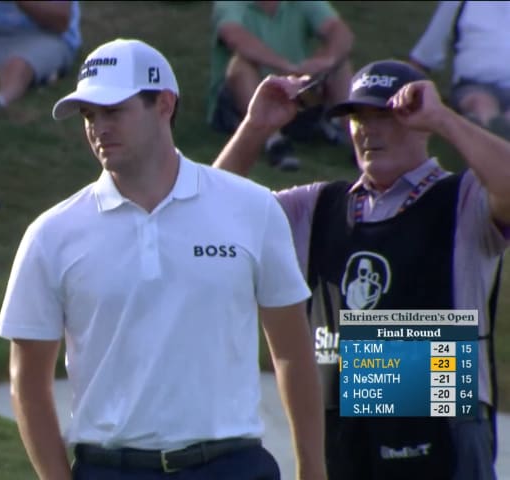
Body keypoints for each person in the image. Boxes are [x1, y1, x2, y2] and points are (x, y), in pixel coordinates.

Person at [0, 38, 327, 480]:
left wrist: (312, 469)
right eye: (89, 115)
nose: (98, 128)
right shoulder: (50, 235)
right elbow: (28, 380)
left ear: (164, 104)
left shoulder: (253, 208)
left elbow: (290, 351)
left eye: (114, 111)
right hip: (110, 469)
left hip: (233, 466)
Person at [212, 59, 510, 479]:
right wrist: (256, 126)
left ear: (420, 123)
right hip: (343, 434)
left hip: (441, 435)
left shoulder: (463, 199)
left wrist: (444, 118)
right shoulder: (316, 206)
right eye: (356, 117)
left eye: (383, 115)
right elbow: (205, 218)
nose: (367, 129)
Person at [207, 0, 354, 171]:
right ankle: (274, 143)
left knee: (339, 64)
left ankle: (355, 136)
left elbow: (339, 31)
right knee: (239, 66)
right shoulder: (231, 4)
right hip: (240, 105)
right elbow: (234, 36)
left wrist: (325, 60)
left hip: (295, 93)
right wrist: (286, 66)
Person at [409, 1, 510, 137]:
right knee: (480, 104)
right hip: (474, 86)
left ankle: (493, 136)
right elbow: (426, 53)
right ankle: (492, 133)